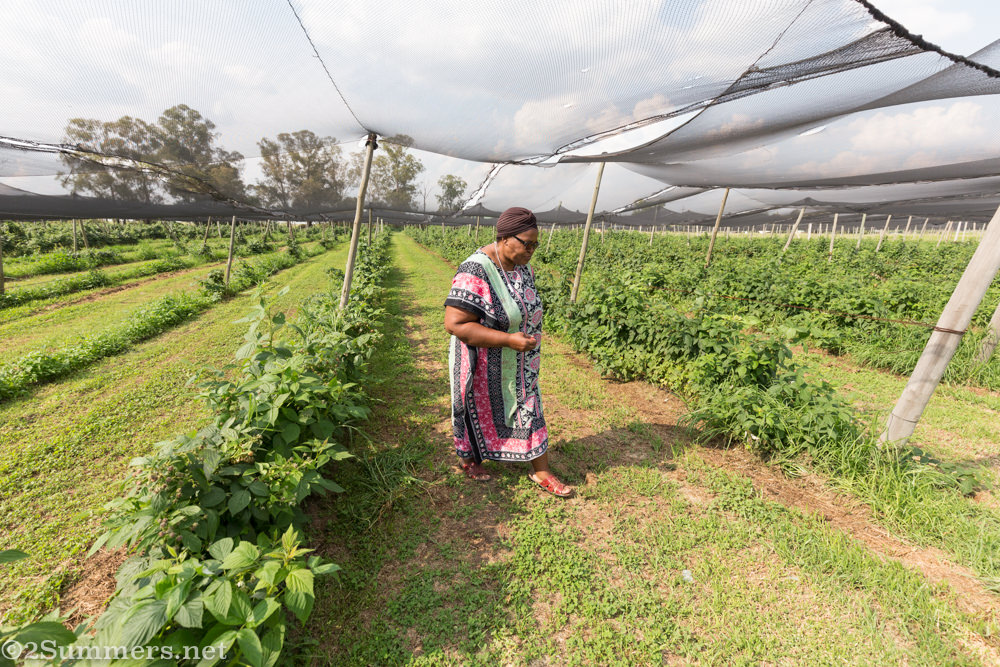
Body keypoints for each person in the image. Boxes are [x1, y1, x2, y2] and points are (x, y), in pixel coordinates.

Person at [443, 206, 572, 497]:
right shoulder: (475, 268)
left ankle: (541, 471)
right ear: (503, 238)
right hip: (480, 361)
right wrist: (507, 340)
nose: (532, 250)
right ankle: (470, 460)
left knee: (529, 406)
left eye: (535, 244)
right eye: (527, 243)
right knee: (473, 407)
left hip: (520, 361)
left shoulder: (522, 267)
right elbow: (455, 323)